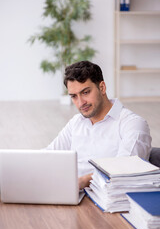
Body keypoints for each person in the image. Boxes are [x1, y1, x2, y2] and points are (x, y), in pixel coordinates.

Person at [46, 61, 152, 189]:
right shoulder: (76, 122)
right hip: (76, 195)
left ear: (102, 87)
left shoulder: (133, 124)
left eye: (85, 92)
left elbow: (124, 169)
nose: (80, 103)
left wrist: (84, 181)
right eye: (74, 96)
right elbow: (48, 156)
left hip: (110, 201)